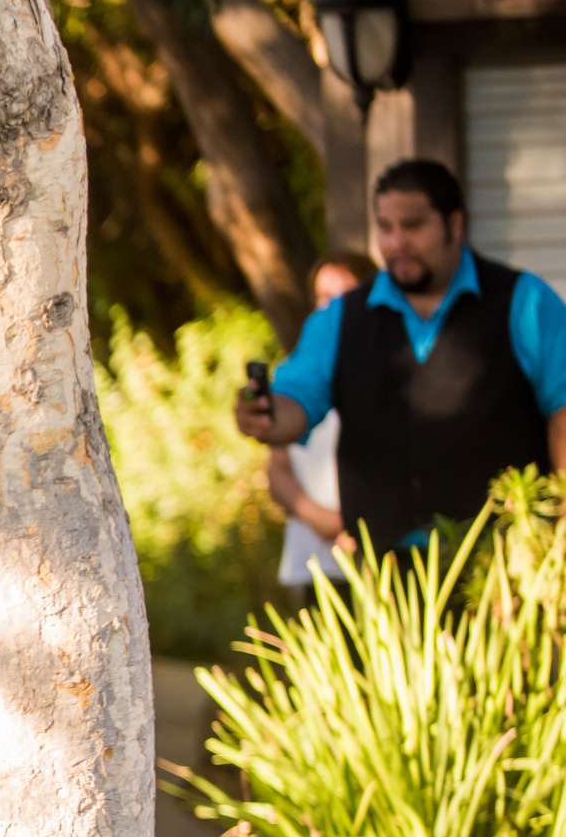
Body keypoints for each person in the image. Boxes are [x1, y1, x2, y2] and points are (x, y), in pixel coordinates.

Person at [237, 160, 566, 553]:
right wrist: (264, 415)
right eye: (386, 228)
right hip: (387, 572)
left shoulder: (524, 301)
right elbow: (295, 402)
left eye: (412, 226)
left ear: (455, 223)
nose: (396, 243)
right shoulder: (342, 318)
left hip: (505, 564)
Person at [265, 251, 376, 597]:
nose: (332, 309)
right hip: (313, 561)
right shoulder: (294, 375)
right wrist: (325, 521)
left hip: (377, 558)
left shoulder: (392, 371)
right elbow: (276, 470)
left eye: (343, 298)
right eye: (323, 298)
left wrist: (358, 525)